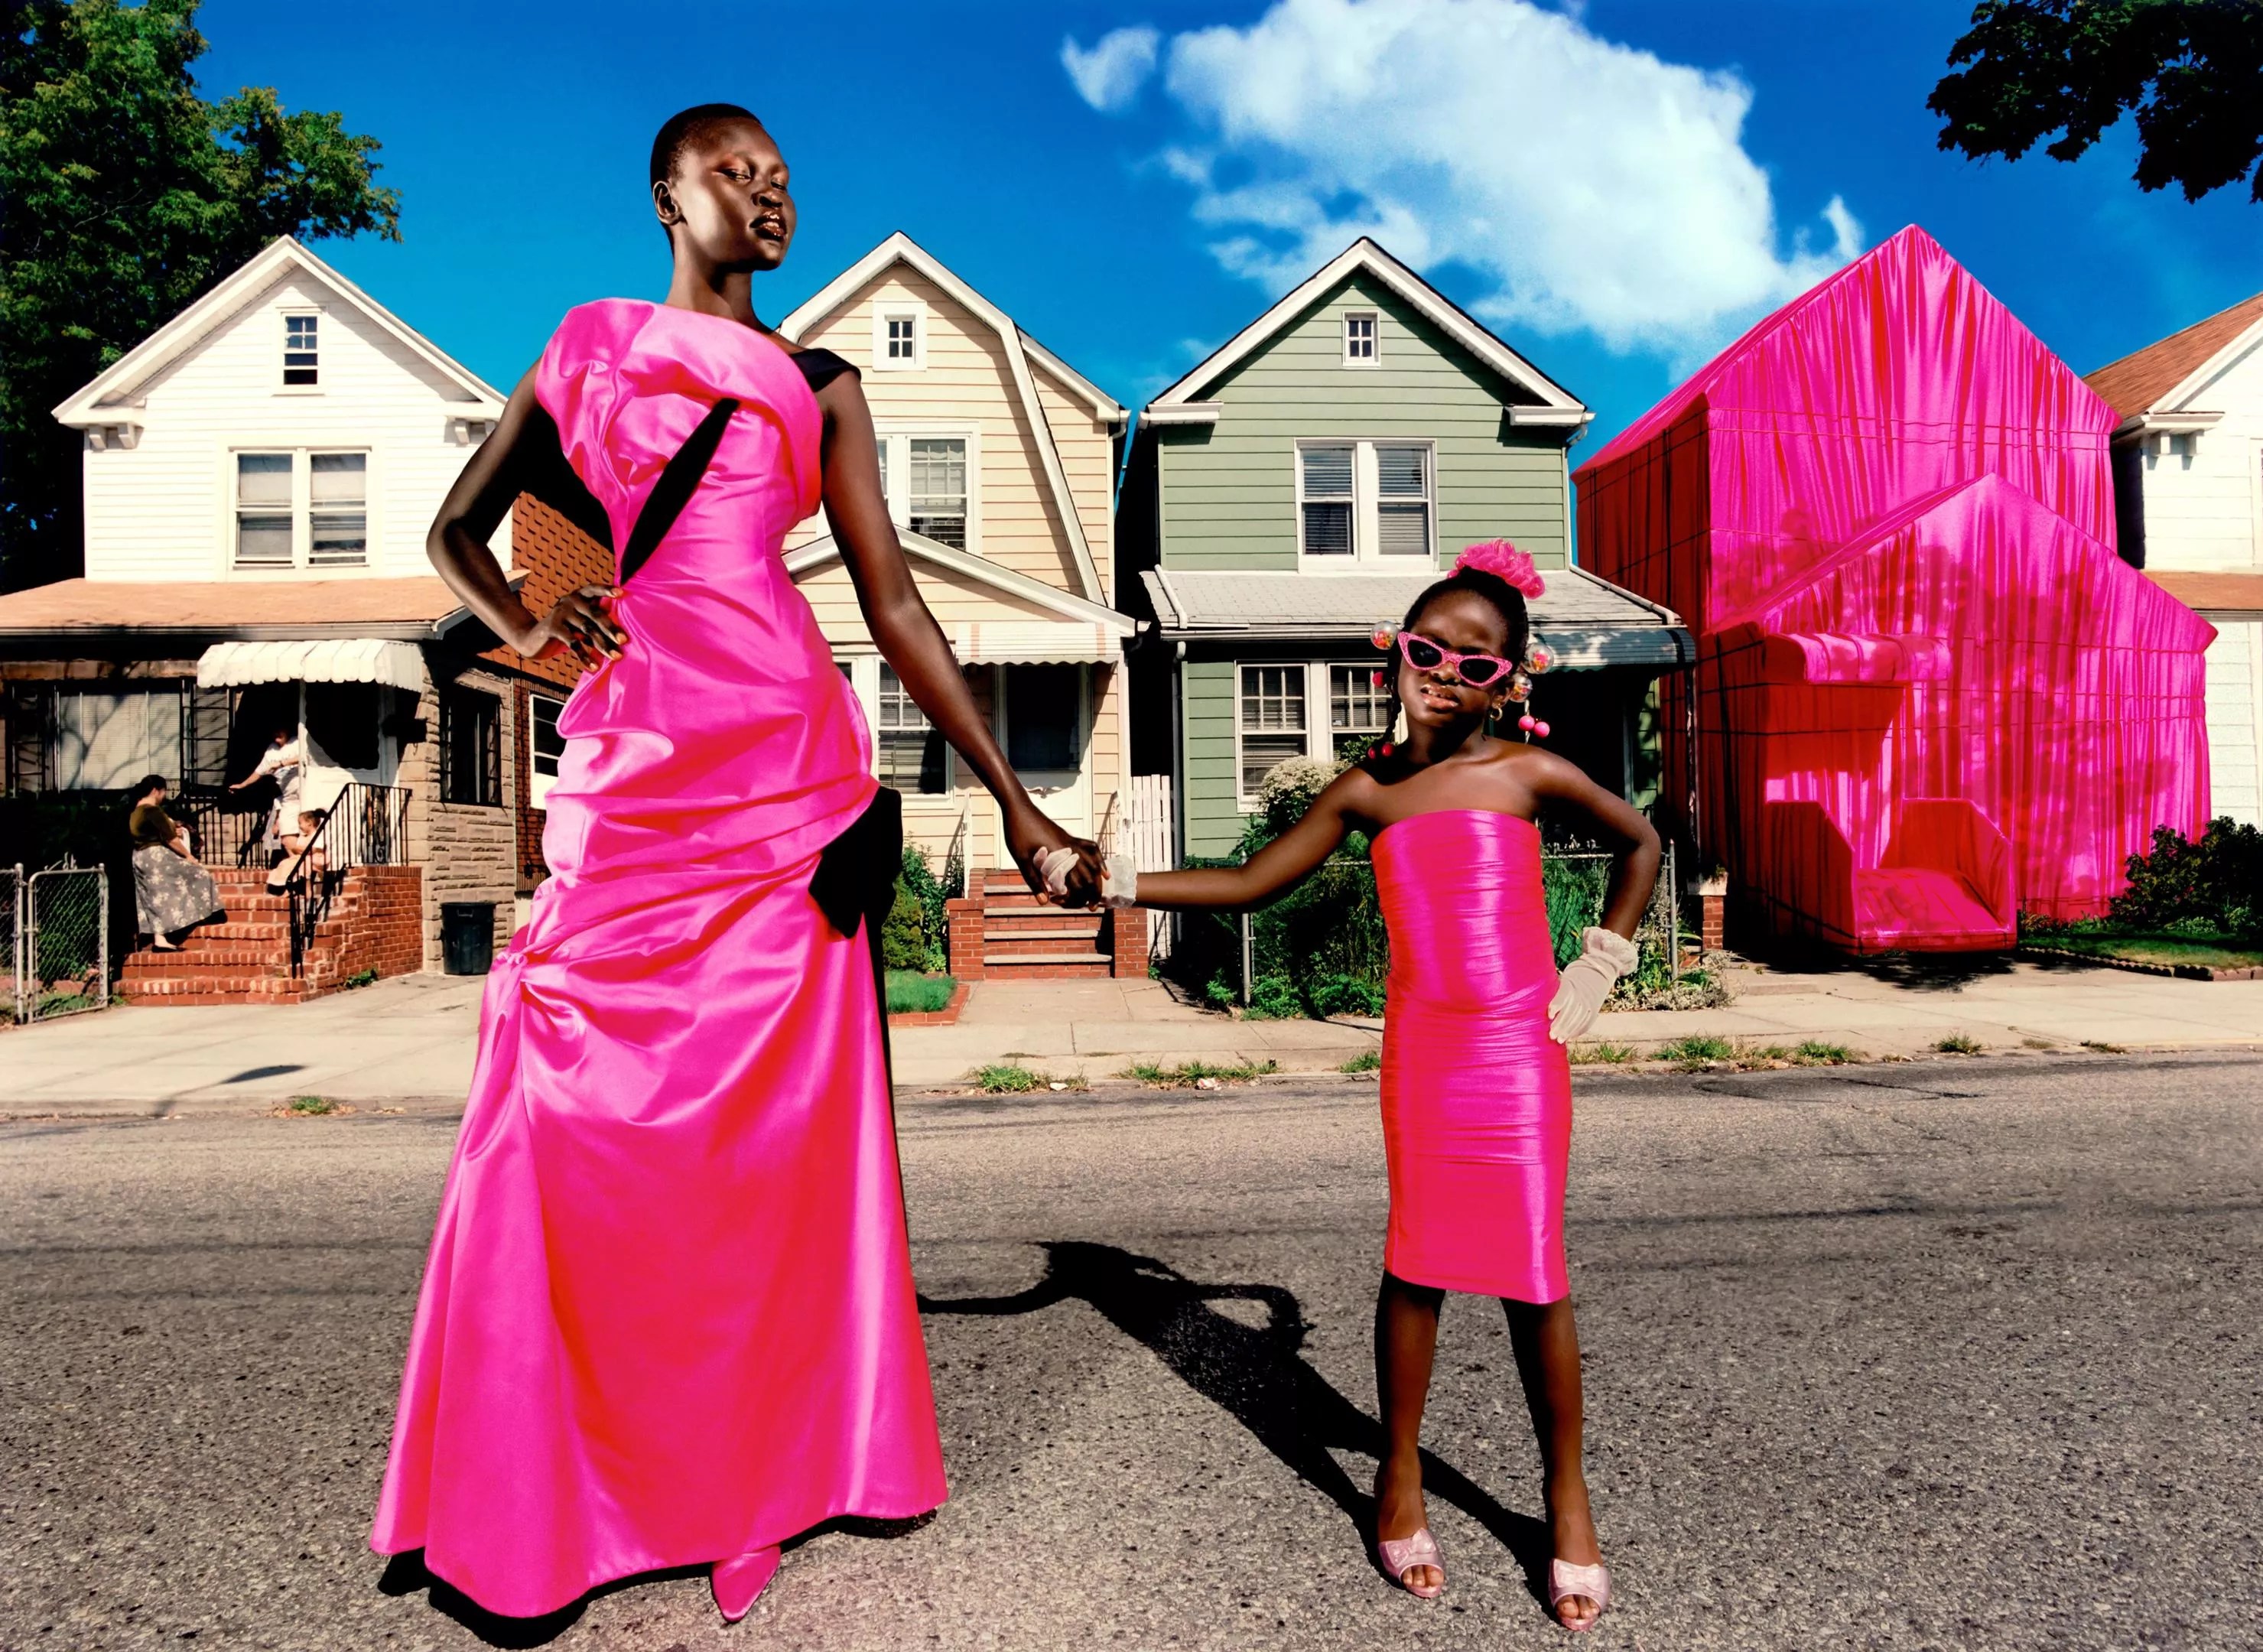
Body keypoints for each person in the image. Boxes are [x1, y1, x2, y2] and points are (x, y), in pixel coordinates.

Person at [370, 103, 1101, 1624]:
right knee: (571, 1107)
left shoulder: (823, 387)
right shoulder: (584, 348)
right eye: (737, 175)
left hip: (788, 775)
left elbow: (897, 607)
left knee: (771, 1155)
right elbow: (456, 530)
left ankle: (757, 1478)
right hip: (639, 777)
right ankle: (549, 1476)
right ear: (666, 195)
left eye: (783, 180)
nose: (771, 198)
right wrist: (527, 622)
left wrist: (1017, 800)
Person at [1115, 542, 1659, 1633]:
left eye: (1476, 663)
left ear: (1512, 679)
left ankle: (1565, 1499)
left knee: (1532, 1276)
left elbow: (1639, 839)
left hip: (1518, 1049)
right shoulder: (1363, 790)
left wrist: (1599, 960)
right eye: (1428, 650)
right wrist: (1114, 877)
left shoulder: (1525, 773)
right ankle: (1396, 1473)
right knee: (1414, 1263)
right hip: (1423, 1054)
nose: (1447, 674)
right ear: (1392, 657)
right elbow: (1243, 884)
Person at [126, 776, 223, 951]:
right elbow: (171, 839)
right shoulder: (152, 810)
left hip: (140, 858)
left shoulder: (135, 812)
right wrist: (188, 856)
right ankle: (209, 913)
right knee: (198, 874)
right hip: (156, 857)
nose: (163, 797)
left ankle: (159, 938)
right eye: (163, 792)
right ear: (156, 791)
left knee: (154, 897)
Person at [229, 728, 302, 862]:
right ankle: (296, 862)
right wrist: (242, 785)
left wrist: (282, 763)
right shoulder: (271, 750)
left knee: (307, 828)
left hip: (305, 792)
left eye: (279, 731)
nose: (276, 734)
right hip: (289, 798)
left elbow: (306, 756)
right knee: (285, 830)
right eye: (274, 732)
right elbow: (259, 771)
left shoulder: (296, 742)